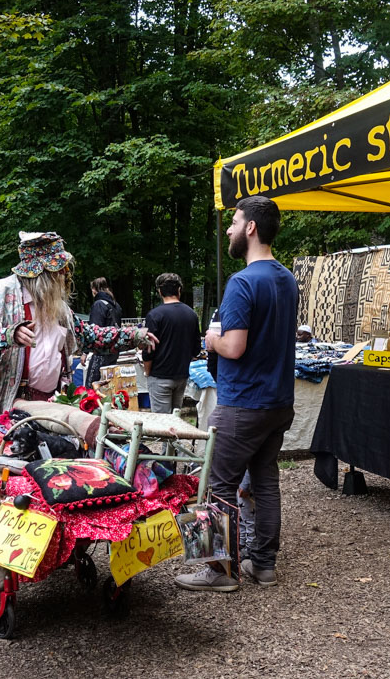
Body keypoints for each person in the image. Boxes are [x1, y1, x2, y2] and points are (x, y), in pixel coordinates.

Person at [175, 195, 297, 593]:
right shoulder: (287, 279)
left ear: (251, 228)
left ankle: (218, 571)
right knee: (266, 481)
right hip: (278, 403)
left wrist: (211, 339)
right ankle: (263, 565)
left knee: (218, 483)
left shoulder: (242, 282)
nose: (228, 229)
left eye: (234, 222)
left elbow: (234, 346)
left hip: (242, 403)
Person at [0, 231, 157, 418]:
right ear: (40, 272)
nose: (65, 274)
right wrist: (9, 335)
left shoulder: (58, 307)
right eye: (58, 269)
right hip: (8, 409)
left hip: (51, 404)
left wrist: (133, 336)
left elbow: (89, 336)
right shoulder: (1, 292)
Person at [142, 272, 201, 413]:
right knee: (175, 418)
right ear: (179, 290)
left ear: (159, 291)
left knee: (162, 421)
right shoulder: (191, 314)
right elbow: (196, 349)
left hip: (160, 375)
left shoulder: (154, 315)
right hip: (181, 376)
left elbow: (148, 349)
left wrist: (147, 372)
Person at [83, 277, 123, 388]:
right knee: (109, 385)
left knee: (92, 385)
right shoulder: (116, 305)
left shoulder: (98, 304)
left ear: (94, 289)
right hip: (114, 350)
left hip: (101, 351)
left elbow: (93, 331)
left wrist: (85, 352)